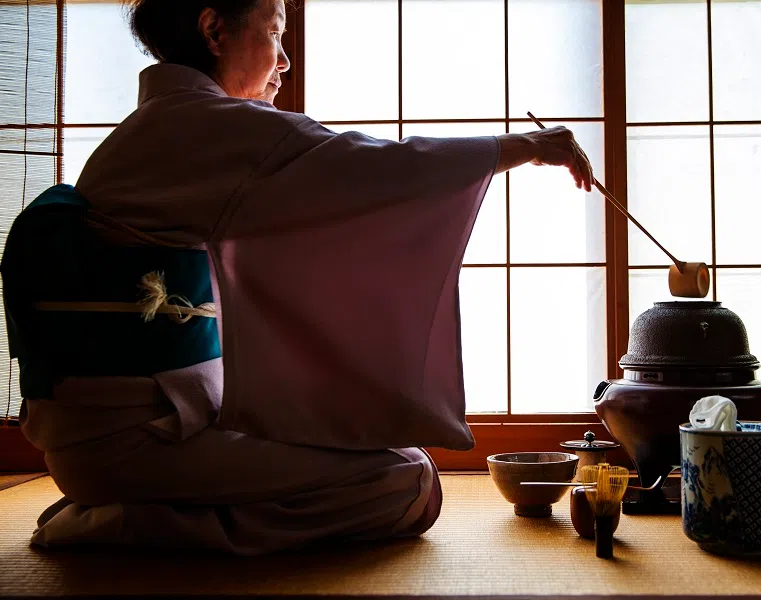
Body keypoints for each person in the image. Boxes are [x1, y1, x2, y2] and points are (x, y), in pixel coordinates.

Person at [1, 0, 594, 555]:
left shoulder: (162, 126)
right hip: (134, 440)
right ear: (214, 31)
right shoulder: (207, 125)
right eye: (276, 32)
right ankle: (131, 524)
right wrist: (523, 146)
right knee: (408, 481)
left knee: (397, 464)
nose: (284, 59)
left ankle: (136, 510)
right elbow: (379, 170)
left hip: (118, 430)